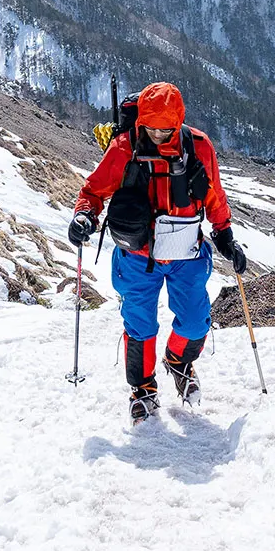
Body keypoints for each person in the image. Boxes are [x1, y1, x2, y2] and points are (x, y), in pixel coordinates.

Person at [68, 81, 247, 421]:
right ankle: (143, 387)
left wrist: (225, 235)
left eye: (166, 130)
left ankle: (178, 360)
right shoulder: (124, 147)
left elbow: (214, 195)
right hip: (137, 256)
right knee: (140, 326)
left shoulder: (199, 147)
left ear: (178, 123)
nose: (158, 135)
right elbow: (94, 191)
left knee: (195, 323)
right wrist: (84, 216)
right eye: (150, 128)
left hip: (187, 253)